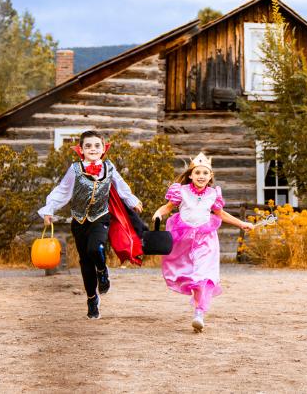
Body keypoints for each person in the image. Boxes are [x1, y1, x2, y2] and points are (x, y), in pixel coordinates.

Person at [38, 130, 143, 320]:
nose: (92, 149)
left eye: (97, 146)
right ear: (81, 149)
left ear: (104, 149)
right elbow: (63, 191)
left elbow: (121, 186)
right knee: (85, 262)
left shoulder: (109, 167)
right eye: (88, 146)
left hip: (101, 217)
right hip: (79, 221)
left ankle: (103, 271)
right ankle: (92, 298)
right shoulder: (75, 169)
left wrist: (133, 201)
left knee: (96, 248)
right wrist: (49, 210)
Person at [153, 152, 253, 332]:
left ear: (210, 176)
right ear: (190, 175)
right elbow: (167, 207)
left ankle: (199, 313)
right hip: (183, 239)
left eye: (205, 173)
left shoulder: (213, 194)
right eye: (197, 173)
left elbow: (221, 214)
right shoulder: (180, 192)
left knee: (202, 277)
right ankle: (197, 304)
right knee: (187, 274)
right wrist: (158, 213)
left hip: (205, 240)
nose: (201, 176)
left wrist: (241, 223)